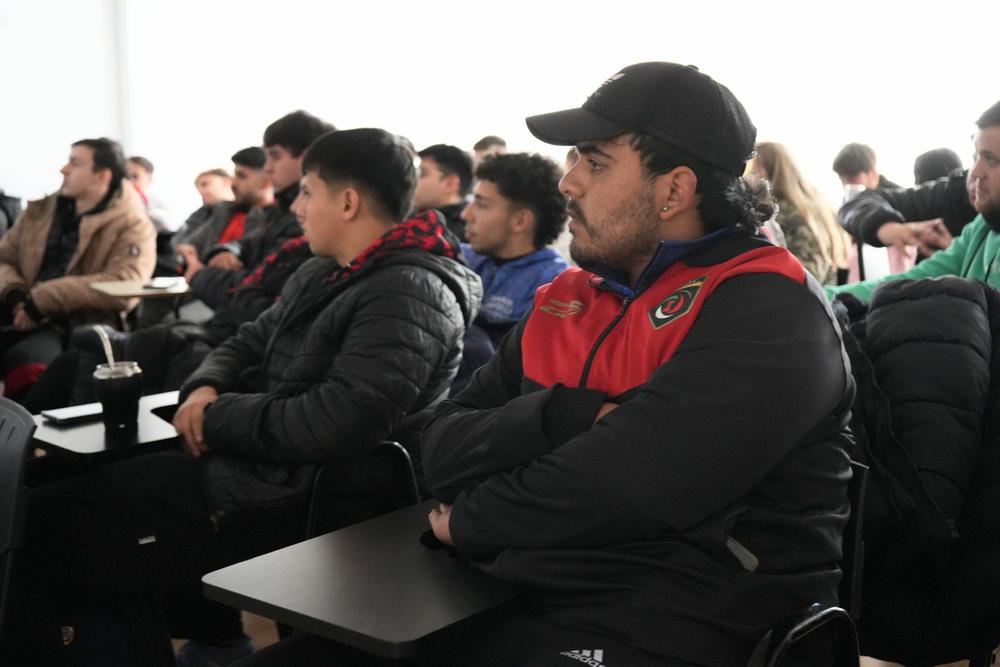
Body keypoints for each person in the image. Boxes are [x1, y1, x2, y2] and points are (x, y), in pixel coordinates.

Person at [237, 62, 854, 667]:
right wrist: (566, 416)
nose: (569, 182)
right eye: (573, 159)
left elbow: (623, 487)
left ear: (674, 190)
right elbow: (441, 444)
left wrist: (471, 519)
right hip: (511, 591)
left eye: (594, 160)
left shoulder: (767, 306)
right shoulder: (570, 296)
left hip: (677, 621)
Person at [4, 127, 481, 666]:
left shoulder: (410, 291)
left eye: (307, 192)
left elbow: (336, 422)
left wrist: (215, 414)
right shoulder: (325, 270)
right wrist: (204, 385)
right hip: (253, 469)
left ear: (347, 202)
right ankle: (212, 642)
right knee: (41, 499)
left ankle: (207, 641)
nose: (296, 207)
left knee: (37, 538)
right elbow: (249, 338)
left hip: (299, 499)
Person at [0, 138, 155, 402]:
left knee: (24, 361)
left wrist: (41, 300)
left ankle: (26, 441)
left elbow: (126, 285)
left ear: (102, 175)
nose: (64, 169)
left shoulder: (132, 223)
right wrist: (15, 296)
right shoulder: (40, 211)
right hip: (17, 311)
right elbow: (4, 259)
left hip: (76, 326)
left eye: (75, 163)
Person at [828, 100, 1000, 302]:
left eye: (991, 159)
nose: (976, 172)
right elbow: (909, 284)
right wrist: (817, 296)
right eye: (975, 157)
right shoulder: (980, 227)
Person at [185, 110, 332, 310]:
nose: (268, 168)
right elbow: (248, 244)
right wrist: (227, 250)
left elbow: (257, 295)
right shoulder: (277, 212)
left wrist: (199, 275)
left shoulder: (306, 220)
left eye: (275, 157)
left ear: (307, 158)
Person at [461, 152, 569, 346]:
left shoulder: (555, 289)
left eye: (482, 204)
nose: (466, 214)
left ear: (520, 221)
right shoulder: (461, 258)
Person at [749, 141, 849, 284]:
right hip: (826, 293)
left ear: (768, 170)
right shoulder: (816, 201)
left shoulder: (780, 211)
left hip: (802, 291)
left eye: (754, 169)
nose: (751, 176)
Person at [173, 147, 274, 261]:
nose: (233, 182)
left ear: (266, 183)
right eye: (234, 175)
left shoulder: (275, 220)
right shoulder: (225, 211)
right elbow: (189, 245)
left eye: (242, 176)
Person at [412, 143, 474, 241]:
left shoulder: (469, 232)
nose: (412, 180)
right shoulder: (409, 217)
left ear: (450, 183)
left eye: (421, 173)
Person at [127, 155, 177, 232]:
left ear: (149, 179)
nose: (129, 181)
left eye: (135, 176)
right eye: (125, 177)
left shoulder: (161, 205)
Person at [832, 142, 900, 189]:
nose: (846, 186)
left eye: (852, 178)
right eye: (842, 180)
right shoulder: (855, 200)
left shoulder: (899, 204)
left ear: (873, 174)